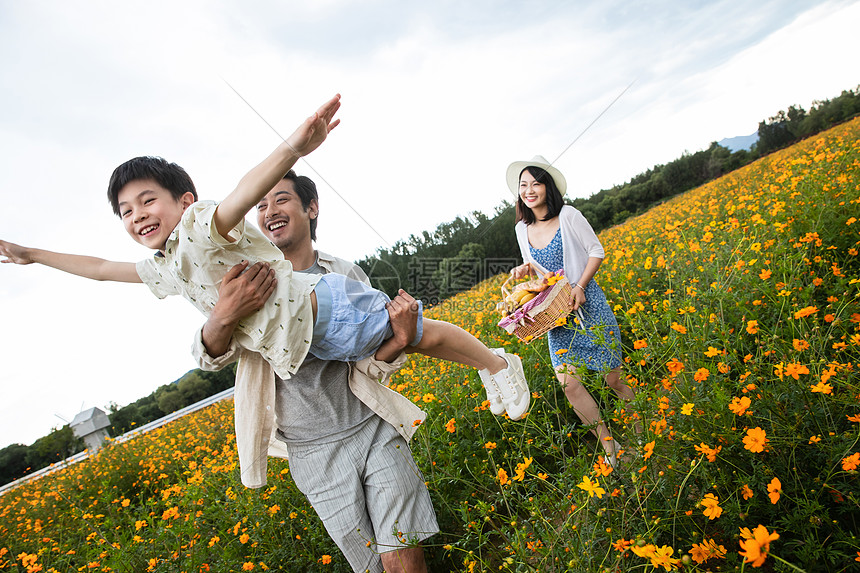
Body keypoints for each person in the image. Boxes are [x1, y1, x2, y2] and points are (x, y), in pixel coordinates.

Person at [0, 94, 529, 421]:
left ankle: (498, 363)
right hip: (313, 334)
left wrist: (293, 147)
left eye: (147, 200)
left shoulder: (202, 227)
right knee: (412, 340)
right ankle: (492, 365)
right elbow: (97, 269)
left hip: (325, 306)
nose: (137, 215)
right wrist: (33, 255)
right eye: (125, 211)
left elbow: (241, 192)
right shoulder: (164, 266)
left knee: (420, 333)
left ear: (183, 201)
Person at [194, 169, 436, 572]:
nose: (269, 210)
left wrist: (402, 338)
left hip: (371, 426)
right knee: (372, 566)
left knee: (402, 555)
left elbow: (372, 363)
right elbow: (209, 356)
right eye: (261, 204)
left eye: (281, 199)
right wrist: (223, 313)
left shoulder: (345, 275)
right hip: (312, 451)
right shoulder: (246, 280)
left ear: (312, 208)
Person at [506, 155, 636, 466]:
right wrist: (526, 271)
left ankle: (644, 429)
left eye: (536, 182)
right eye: (523, 185)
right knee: (570, 385)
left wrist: (579, 286)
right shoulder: (521, 229)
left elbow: (596, 250)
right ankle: (611, 448)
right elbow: (540, 274)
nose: (529, 190)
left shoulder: (569, 215)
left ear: (547, 186)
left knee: (613, 379)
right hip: (556, 316)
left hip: (588, 305)